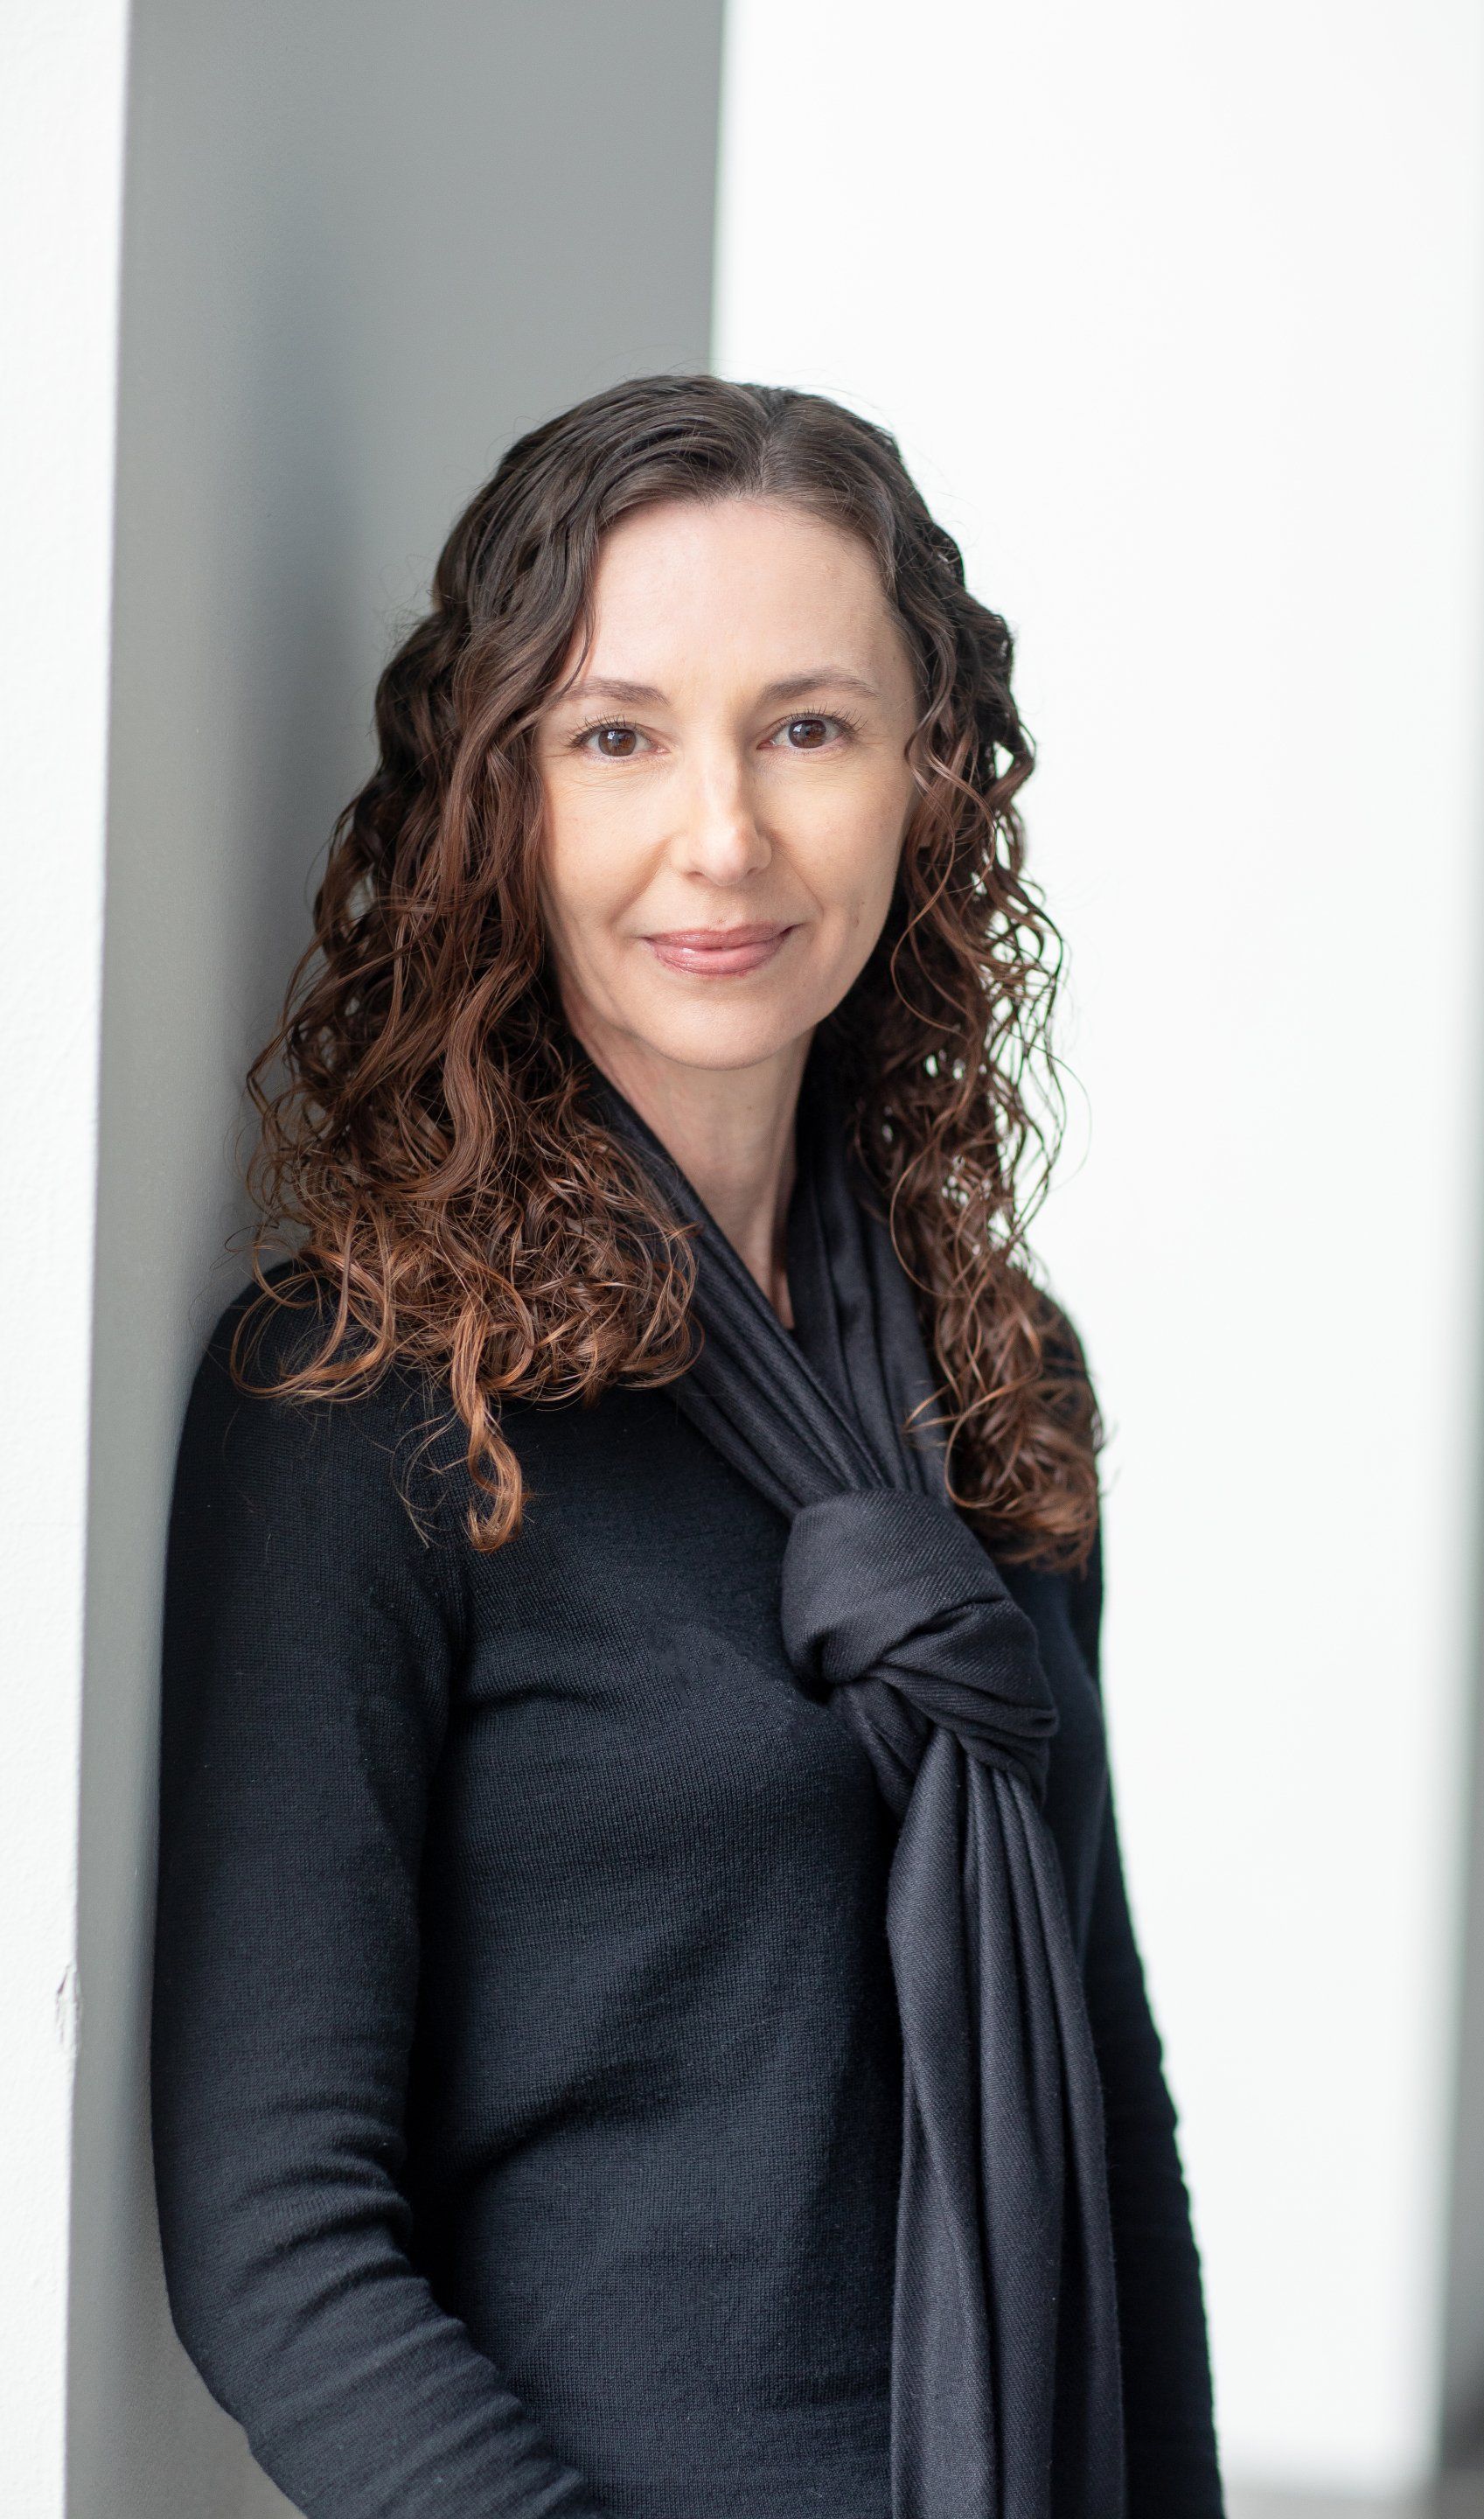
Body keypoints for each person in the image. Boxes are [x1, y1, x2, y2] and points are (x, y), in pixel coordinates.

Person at [150, 373, 1225, 2519]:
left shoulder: (1002, 1377)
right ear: (502, 798)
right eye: (620, 733)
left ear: (927, 786)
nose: (720, 836)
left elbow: (1102, 2086)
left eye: (806, 727)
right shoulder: (364, 1400)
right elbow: (276, 2232)